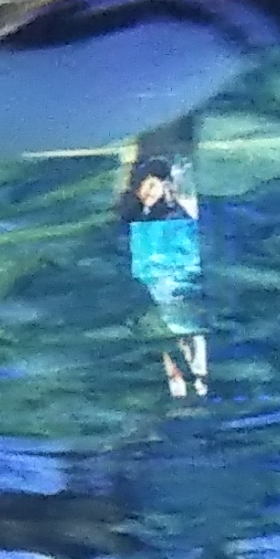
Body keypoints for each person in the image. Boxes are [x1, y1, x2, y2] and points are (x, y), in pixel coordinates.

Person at [120, 148, 210, 400]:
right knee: (176, 335)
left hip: (170, 279)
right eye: (146, 186)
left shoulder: (167, 214)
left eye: (153, 186)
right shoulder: (144, 216)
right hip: (165, 280)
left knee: (182, 333)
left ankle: (195, 379)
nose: (148, 191)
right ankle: (190, 379)